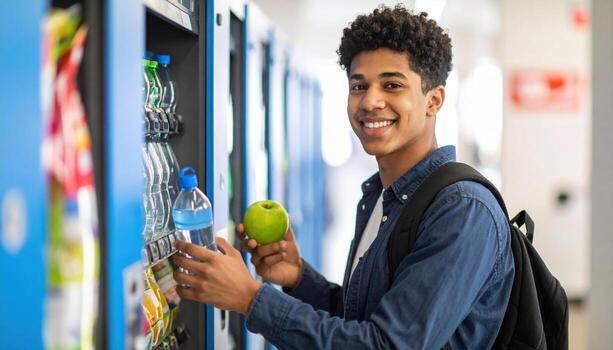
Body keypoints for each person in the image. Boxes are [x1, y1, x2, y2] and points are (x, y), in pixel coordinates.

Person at [172, 4, 514, 349]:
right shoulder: (383, 196)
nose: (370, 102)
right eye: (358, 86)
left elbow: (385, 345)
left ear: (433, 100)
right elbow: (363, 320)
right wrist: (298, 278)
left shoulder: (462, 210)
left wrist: (250, 298)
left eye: (392, 85)